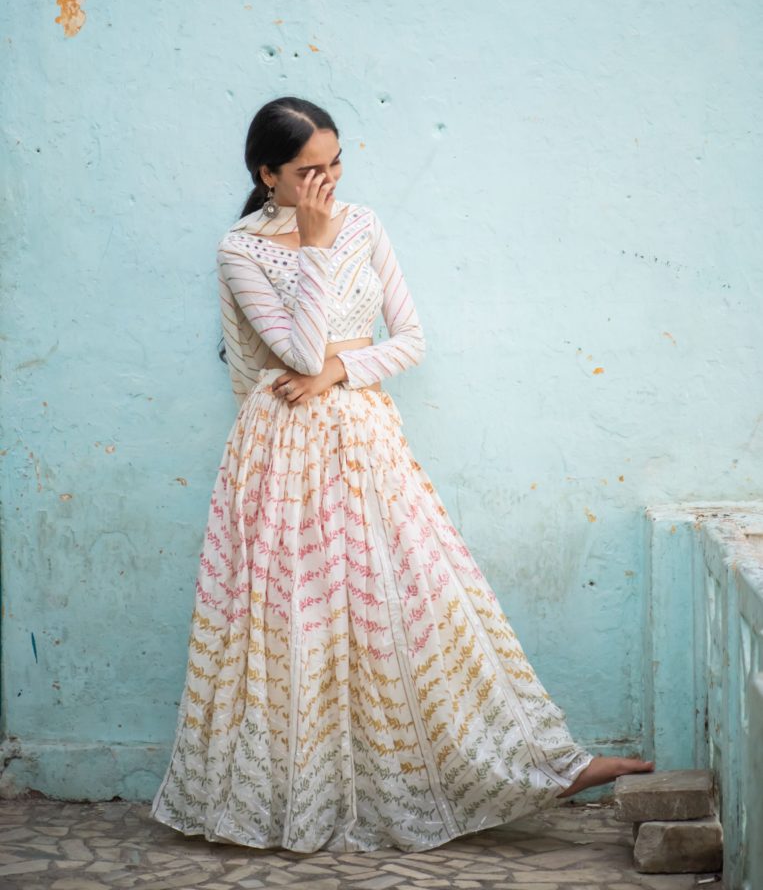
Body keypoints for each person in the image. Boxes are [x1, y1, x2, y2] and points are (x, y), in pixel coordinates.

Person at [149, 96, 653, 854]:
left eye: (335, 163)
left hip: (363, 438)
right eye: (306, 171)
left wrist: (341, 371)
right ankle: (290, 797)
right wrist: (314, 253)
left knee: (419, 603)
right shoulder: (240, 250)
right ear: (267, 174)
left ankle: (544, 765)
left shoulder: (366, 224)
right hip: (280, 451)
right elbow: (286, 355)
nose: (326, 182)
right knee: (291, 623)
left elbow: (410, 339)